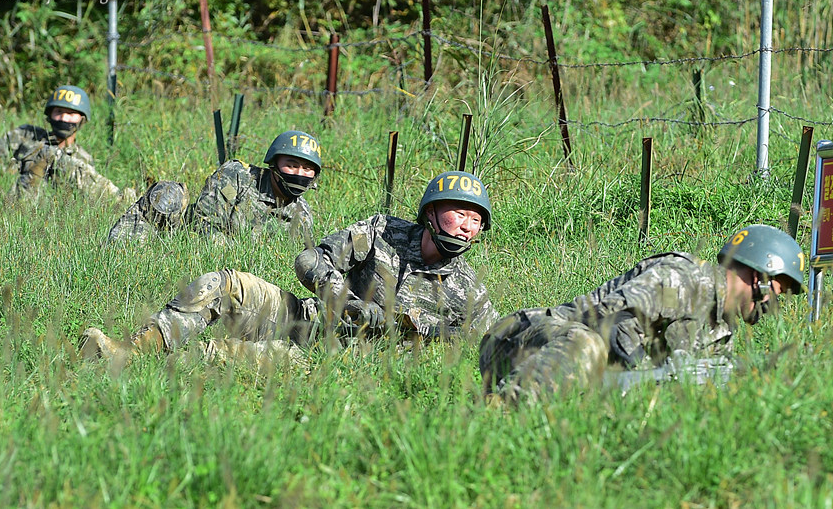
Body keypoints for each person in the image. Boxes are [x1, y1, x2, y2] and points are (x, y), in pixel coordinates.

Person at [81, 170, 499, 363]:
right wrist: (345, 300)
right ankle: (131, 350)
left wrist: (415, 327)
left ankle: (150, 367)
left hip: (343, 361)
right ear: (430, 213)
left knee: (230, 357)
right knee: (224, 284)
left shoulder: (471, 292)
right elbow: (310, 259)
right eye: (457, 213)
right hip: (309, 317)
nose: (465, 226)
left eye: (475, 219)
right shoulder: (383, 230)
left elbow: (482, 344)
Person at [479, 224, 805, 405]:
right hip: (520, 341)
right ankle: (499, 415)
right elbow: (613, 321)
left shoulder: (720, 334)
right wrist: (648, 376)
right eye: (780, 289)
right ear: (759, 277)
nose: (777, 302)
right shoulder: (685, 279)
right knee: (587, 343)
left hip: (581, 378)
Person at [106, 130, 320, 245]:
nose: (299, 174)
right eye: (291, 166)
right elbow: (204, 223)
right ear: (274, 164)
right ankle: (119, 250)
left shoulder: (303, 218)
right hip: (179, 236)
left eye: (307, 169)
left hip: (232, 282)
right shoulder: (238, 177)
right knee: (167, 195)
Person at [0, 84, 133, 201]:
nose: (64, 118)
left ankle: (121, 199)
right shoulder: (25, 135)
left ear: (82, 119)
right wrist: (9, 173)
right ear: (50, 115)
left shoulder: (82, 159)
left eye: (71, 113)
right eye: (59, 112)